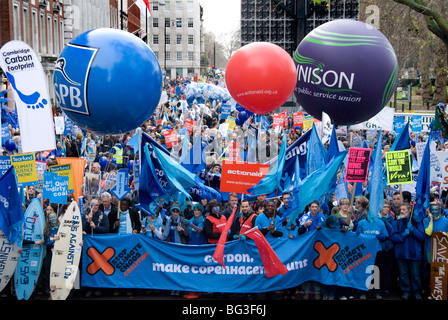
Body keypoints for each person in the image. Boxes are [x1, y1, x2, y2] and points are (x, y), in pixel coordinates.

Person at [390, 202, 426, 300]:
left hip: (414, 253)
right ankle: (406, 291)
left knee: (416, 275)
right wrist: (403, 235)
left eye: (404, 209)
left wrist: (413, 230)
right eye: (401, 209)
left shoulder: (417, 221)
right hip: (401, 253)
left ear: (410, 210)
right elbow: (393, 237)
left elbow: (422, 237)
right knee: (403, 274)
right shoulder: (396, 222)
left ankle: (417, 292)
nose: (401, 211)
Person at [355, 208, 389, 300]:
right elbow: (356, 237)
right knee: (364, 271)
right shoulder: (361, 223)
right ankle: (363, 291)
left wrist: (382, 237)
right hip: (364, 251)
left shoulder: (381, 223)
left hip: (377, 251)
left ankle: (376, 291)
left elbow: (386, 236)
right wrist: (357, 234)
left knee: (376, 271)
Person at [297, 200, 325, 300]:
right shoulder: (304, 217)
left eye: (315, 207)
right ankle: (306, 290)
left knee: (317, 267)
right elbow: (299, 232)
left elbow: (327, 232)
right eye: (312, 207)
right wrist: (305, 225)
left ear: (318, 208)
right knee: (306, 267)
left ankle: (317, 290)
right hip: (306, 247)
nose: (314, 209)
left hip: (318, 247)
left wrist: (321, 228)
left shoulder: (322, 217)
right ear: (309, 207)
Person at [377, 200, 397, 298]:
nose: (386, 209)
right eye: (384, 206)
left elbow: (392, 232)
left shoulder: (391, 219)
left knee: (388, 269)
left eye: (387, 207)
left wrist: (387, 224)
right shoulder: (376, 218)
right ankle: (378, 289)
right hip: (379, 247)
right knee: (379, 269)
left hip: (389, 247)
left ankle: (387, 288)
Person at [40, 210, 60, 298]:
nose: (53, 219)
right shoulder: (47, 230)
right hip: (49, 253)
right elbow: (45, 243)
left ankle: (58, 288)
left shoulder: (61, 227)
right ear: (48, 219)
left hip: (59, 254)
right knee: (49, 271)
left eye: (54, 217)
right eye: (51, 218)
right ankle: (48, 288)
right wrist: (53, 240)